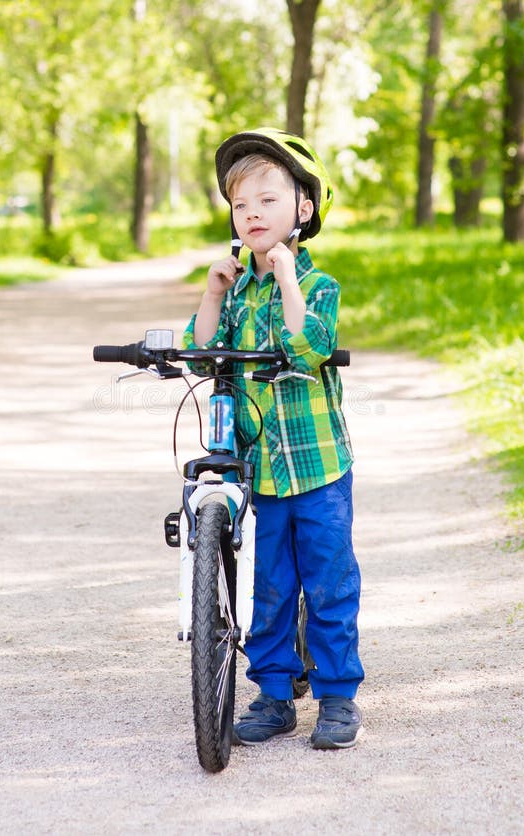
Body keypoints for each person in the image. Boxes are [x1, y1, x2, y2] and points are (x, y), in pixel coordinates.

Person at [183, 127, 364, 751]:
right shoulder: (237, 289)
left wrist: (286, 277)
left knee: (329, 579)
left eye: (267, 200)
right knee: (273, 585)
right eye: (240, 205)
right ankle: (274, 693)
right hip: (264, 471)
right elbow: (202, 353)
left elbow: (308, 344)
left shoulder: (317, 286)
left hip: (318, 468)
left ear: (302, 210)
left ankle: (338, 696)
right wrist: (212, 293)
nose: (252, 213)